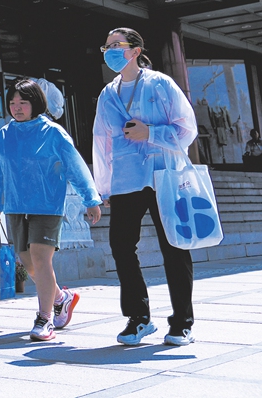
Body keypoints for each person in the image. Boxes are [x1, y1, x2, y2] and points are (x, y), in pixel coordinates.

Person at [93, 28, 198, 346]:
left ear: (135, 50)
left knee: (174, 247)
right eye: (107, 46)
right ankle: (138, 318)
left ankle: (182, 322)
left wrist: (150, 132)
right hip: (126, 181)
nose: (110, 51)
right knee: (121, 246)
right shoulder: (107, 94)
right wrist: (104, 187)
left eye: (116, 46)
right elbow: (101, 142)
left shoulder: (161, 83)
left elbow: (187, 128)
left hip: (163, 175)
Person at [0, 79, 102, 342]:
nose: (16, 108)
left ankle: (44, 318)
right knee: (29, 265)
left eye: (23, 103)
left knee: (41, 260)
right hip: (16, 207)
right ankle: (62, 299)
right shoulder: (5, 134)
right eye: (12, 103)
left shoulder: (53, 133)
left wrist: (91, 198)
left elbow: (75, 166)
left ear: (36, 104)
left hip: (46, 206)